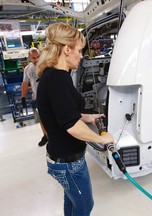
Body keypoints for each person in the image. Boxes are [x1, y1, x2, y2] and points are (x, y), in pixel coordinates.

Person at [36, 23, 115, 216]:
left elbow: (63, 113)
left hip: (63, 159)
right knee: (84, 206)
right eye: (79, 50)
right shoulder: (57, 79)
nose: (82, 55)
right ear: (67, 49)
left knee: (71, 203)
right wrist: (102, 139)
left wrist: (88, 117)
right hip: (69, 164)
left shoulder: (54, 76)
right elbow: (71, 126)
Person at [21, 47, 48, 147]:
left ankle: (55, 135)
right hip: (36, 97)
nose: (36, 59)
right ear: (29, 58)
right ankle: (45, 135)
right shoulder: (27, 69)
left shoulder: (46, 65)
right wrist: (23, 97)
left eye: (38, 57)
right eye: (33, 58)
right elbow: (25, 83)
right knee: (42, 119)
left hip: (49, 96)